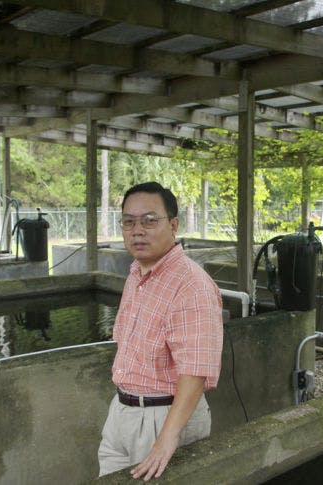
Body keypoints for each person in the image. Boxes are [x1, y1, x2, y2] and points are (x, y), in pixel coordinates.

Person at [98, 182, 224, 481]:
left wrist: (167, 439)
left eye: (149, 220)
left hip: (163, 417)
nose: (137, 230)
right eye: (129, 222)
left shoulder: (191, 285)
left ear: (174, 224)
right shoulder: (136, 274)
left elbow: (194, 371)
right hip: (122, 411)